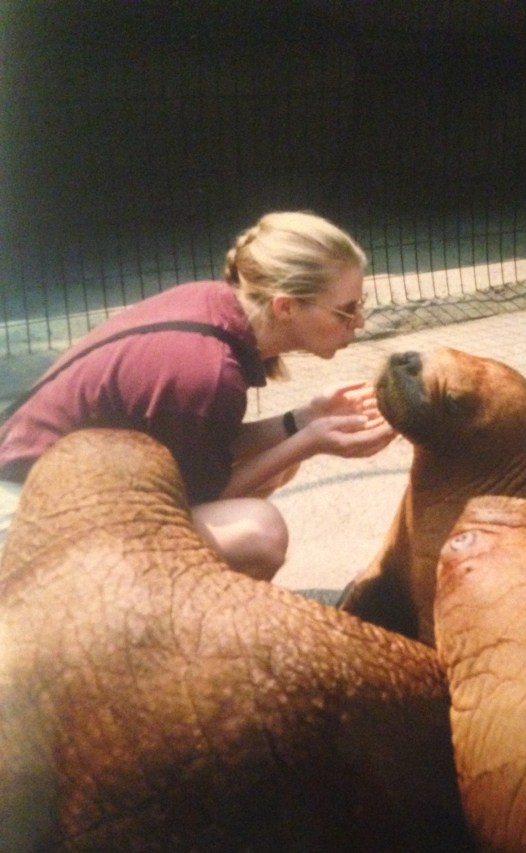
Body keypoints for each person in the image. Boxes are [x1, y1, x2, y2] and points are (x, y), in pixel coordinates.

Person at [0, 211, 396, 578]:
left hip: (70, 483)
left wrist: (303, 421)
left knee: (277, 460)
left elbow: (204, 447)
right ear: (285, 307)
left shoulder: (216, 304)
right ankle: (173, 641)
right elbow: (191, 503)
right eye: (345, 310)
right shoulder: (208, 372)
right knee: (259, 533)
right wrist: (308, 442)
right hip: (30, 517)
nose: (359, 322)